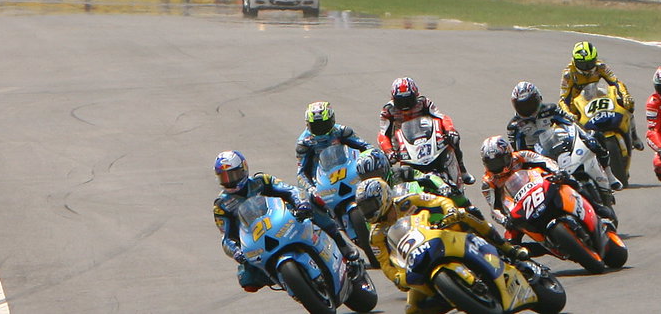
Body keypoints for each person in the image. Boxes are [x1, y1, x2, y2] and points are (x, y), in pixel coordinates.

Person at [356, 177, 527, 314]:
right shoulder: (376, 235)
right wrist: (396, 277)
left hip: (438, 235)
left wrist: (450, 210)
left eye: (370, 205)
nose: (368, 212)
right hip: (416, 261)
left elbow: (437, 201)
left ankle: (507, 248)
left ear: (383, 197)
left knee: (465, 214)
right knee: (411, 309)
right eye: (364, 208)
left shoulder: (406, 201)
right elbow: (385, 263)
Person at [212, 150, 362, 293]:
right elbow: (226, 238)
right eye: (224, 177)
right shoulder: (221, 205)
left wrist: (300, 203)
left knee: (311, 200)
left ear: (244, 169)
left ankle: (341, 244)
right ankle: (288, 282)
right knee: (247, 281)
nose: (229, 181)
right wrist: (236, 252)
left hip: (282, 221)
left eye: (233, 175)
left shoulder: (261, 181)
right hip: (256, 240)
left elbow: (290, 190)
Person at [377, 76, 473, 184]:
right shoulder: (388, 110)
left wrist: (450, 130)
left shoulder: (423, 102)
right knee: (384, 162)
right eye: (401, 101)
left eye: (408, 100)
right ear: (393, 99)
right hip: (404, 144)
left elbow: (441, 117)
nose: (405, 106)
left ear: (416, 95)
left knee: (454, 138)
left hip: (428, 137)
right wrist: (389, 151)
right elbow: (382, 134)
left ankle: (462, 170)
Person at [295, 101, 384, 193]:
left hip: (349, 173)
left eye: (323, 124)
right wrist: (311, 189)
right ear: (308, 124)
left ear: (332, 120)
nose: (320, 128)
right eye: (316, 126)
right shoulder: (304, 143)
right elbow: (301, 173)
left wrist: (375, 157)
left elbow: (366, 146)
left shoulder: (342, 131)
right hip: (323, 184)